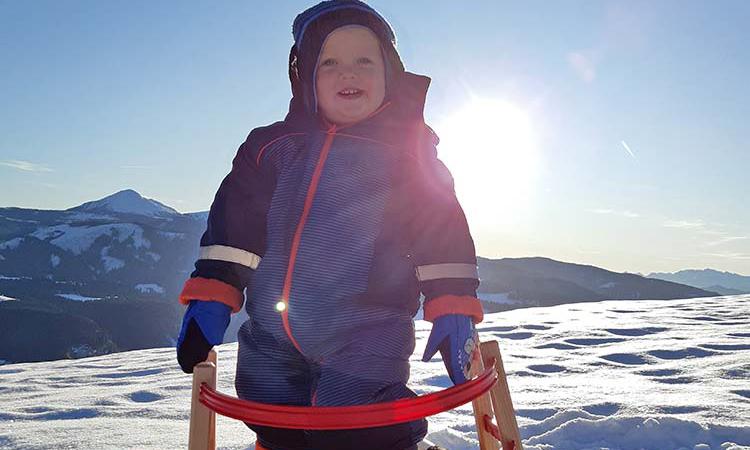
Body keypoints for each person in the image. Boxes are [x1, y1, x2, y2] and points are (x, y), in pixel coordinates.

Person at [176, 2, 484, 449]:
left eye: (365, 61)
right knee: (270, 406)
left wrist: (452, 302)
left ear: (390, 74)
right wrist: (213, 296)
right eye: (330, 62)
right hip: (272, 324)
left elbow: (442, 230)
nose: (349, 74)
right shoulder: (270, 148)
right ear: (305, 76)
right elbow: (234, 228)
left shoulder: (409, 155)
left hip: (368, 324)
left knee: (361, 417)